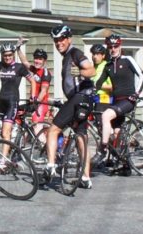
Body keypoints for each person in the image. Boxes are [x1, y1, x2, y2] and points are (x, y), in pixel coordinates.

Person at [45, 24, 96, 189]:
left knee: (53, 130)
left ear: (69, 39)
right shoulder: (68, 55)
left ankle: (51, 166)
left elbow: (91, 70)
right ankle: (86, 178)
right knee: (81, 138)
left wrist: (80, 72)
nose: (59, 43)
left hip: (78, 98)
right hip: (84, 100)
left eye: (61, 39)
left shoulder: (75, 53)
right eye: (56, 40)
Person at [95, 34, 143, 174]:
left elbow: (142, 75)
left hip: (128, 100)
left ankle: (102, 149)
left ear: (120, 46)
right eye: (110, 47)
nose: (113, 49)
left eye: (115, 46)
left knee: (106, 116)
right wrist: (87, 91)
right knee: (117, 133)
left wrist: (136, 93)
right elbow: (99, 83)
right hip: (117, 101)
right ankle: (125, 166)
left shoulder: (128, 60)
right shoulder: (108, 65)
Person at [0, 25, 37, 147]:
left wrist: (33, 97)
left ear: (13, 54)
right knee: (3, 133)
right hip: (1, 102)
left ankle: (3, 162)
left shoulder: (19, 67)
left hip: (12, 101)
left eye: (10, 55)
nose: (8, 57)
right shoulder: (2, 66)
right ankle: (9, 151)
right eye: (5, 55)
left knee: (6, 133)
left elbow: (33, 81)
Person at [89, 43, 113, 168]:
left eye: (97, 54)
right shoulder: (95, 66)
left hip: (105, 100)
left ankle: (105, 152)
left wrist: (96, 85)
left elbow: (112, 86)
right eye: (93, 54)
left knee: (102, 128)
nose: (94, 56)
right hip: (96, 100)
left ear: (103, 55)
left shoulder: (106, 66)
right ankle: (110, 153)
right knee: (100, 128)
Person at [16, 44, 52, 126]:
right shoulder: (34, 69)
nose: (37, 61)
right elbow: (24, 62)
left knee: (37, 126)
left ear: (44, 61)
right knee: (17, 113)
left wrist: (36, 103)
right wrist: (18, 49)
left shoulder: (45, 73)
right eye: (36, 58)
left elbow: (43, 91)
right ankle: (25, 135)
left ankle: (39, 138)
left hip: (41, 103)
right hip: (33, 102)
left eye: (40, 59)